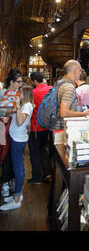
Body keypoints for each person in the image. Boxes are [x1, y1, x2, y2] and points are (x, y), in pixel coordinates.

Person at [0, 84, 34, 211]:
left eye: (20, 92)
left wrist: (18, 105)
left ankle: (16, 199)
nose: (17, 94)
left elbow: (20, 121)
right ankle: (18, 195)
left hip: (18, 139)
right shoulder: (25, 105)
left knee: (18, 168)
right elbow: (18, 120)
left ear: (24, 93)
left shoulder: (26, 105)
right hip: (17, 137)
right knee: (18, 167)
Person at [0, 68, 23, 199]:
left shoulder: (18, 93)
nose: (20, 84)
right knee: (5, 155)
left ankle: (11, 181)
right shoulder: (3, 93)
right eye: (18, 82)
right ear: (12, 81)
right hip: (4, 128)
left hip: (15, 128)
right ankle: (5, 183)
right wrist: (6, 113)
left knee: (13, 155)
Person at [28, 72, 52, 185]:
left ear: (34, 81)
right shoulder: (51, 89)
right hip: (48, 126)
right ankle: (47, 173)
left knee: (34, 152)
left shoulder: (32, 93)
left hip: (35, 126)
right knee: (44, 151)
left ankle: (36, 177)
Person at [54, 60, 89, 130]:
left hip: (57, 125)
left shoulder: (59, 82)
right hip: (63, 127)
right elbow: (64, 112)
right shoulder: (69, 87)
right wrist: (83, 114)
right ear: (75, 70)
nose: (80, 73)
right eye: (80, 70)